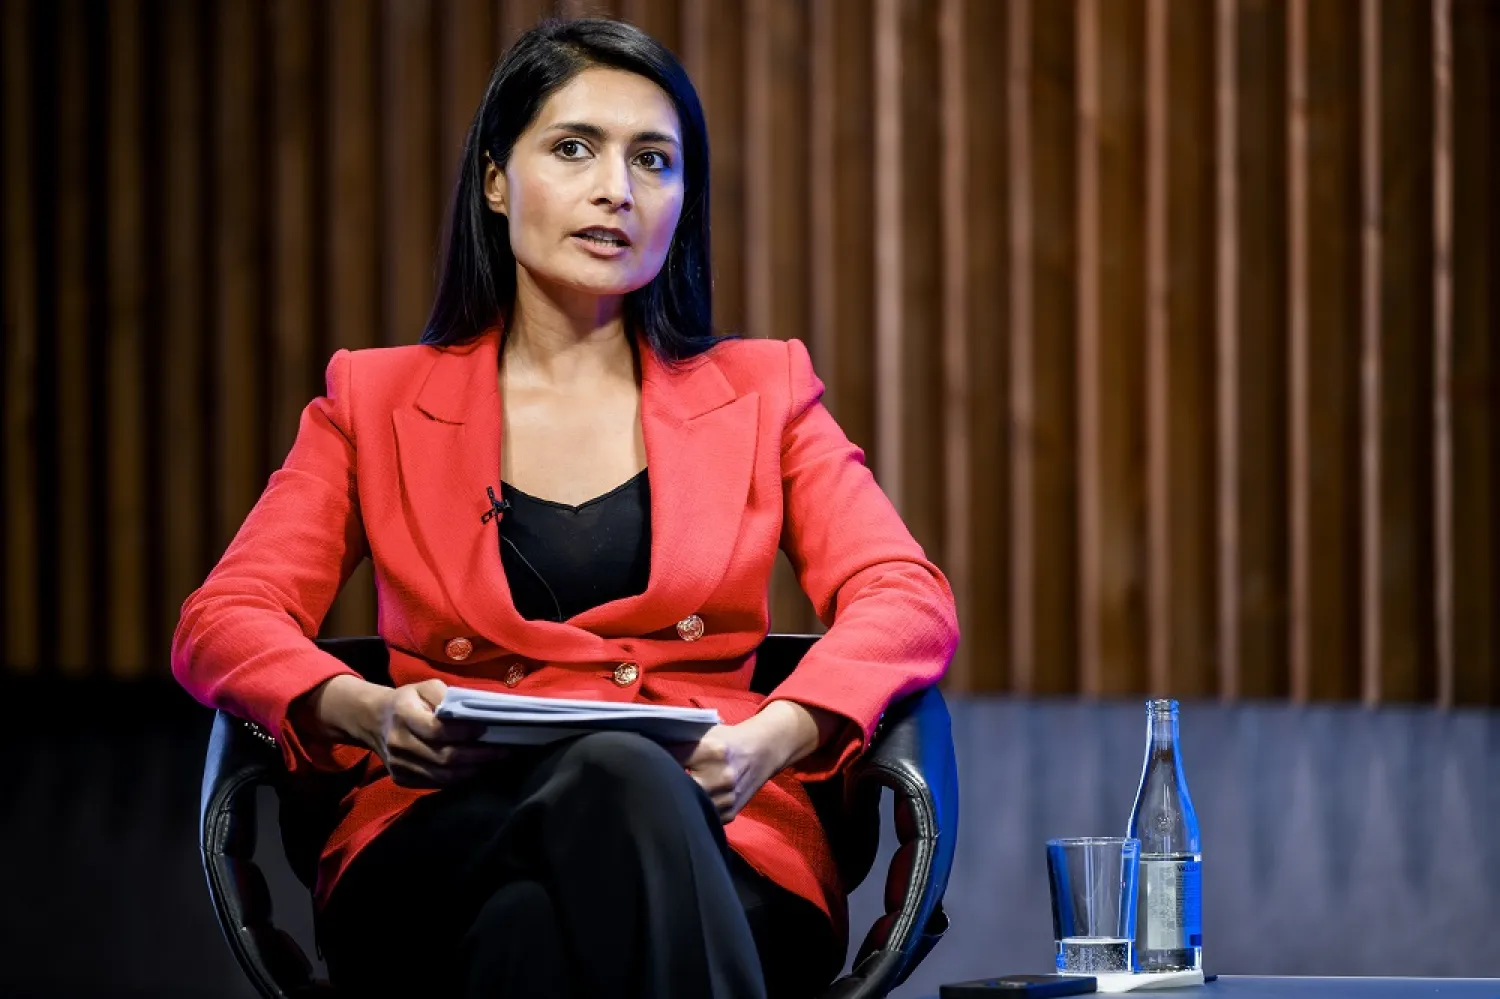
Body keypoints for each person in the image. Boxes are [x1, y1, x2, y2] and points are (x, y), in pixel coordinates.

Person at [172, 17, 957, 999]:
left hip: (718, 843)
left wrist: (779, 735)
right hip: (437, 835)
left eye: (654, 160)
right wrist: (367, 713)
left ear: (683, 200)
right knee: (612, 785)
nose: (615, 189)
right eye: (574, 147)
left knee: (535, 924)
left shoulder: (764, 393)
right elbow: (222, 622)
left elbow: (906, 596)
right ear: (497, 181)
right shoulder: (372, 402)